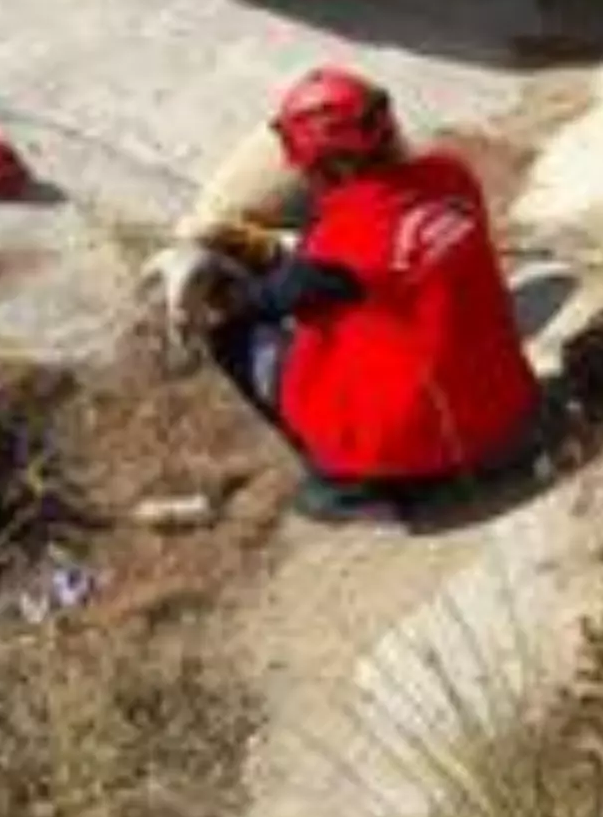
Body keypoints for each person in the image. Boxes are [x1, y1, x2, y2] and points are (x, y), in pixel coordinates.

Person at [197, 67, 543, 523]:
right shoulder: (452, 177)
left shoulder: (339, 243)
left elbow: (269, 297)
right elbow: (388, 254)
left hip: (426, 447)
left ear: (325, 164)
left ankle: (344, 481)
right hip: (509, 414)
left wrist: (228, 286)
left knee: (234, 336)